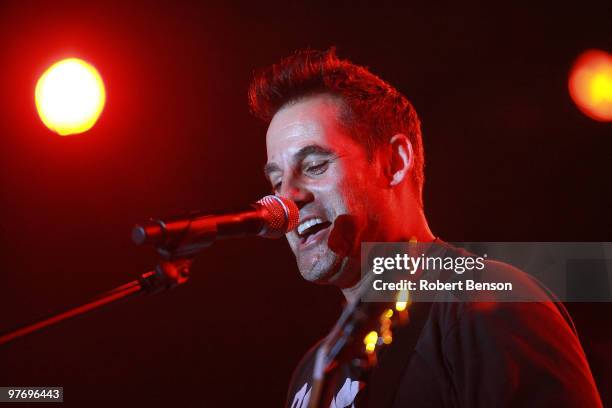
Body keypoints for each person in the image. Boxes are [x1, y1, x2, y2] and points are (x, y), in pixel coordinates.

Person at [248, 48, 602, 407]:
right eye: (276, 183)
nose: (286, 200)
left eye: (315, 165)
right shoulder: (314, 371)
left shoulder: (486, 303)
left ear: (395, 163)